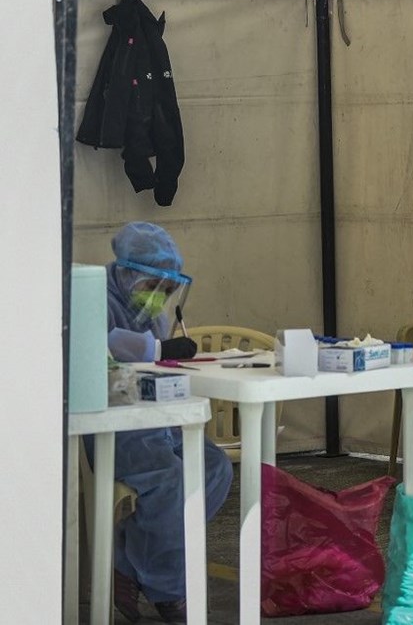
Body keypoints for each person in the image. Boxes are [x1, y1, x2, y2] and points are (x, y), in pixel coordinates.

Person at [97, 221, 234, 622]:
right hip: (112, 422)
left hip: (154, 417)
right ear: (126, 273)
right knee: (172, 479)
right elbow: (101, 343)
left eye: (167, 290)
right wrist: (155, 347)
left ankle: (126, 559)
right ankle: (168, 589)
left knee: (215, 468)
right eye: (150, 287)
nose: (158, 298)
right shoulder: (91, 296)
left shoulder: (148, 310)